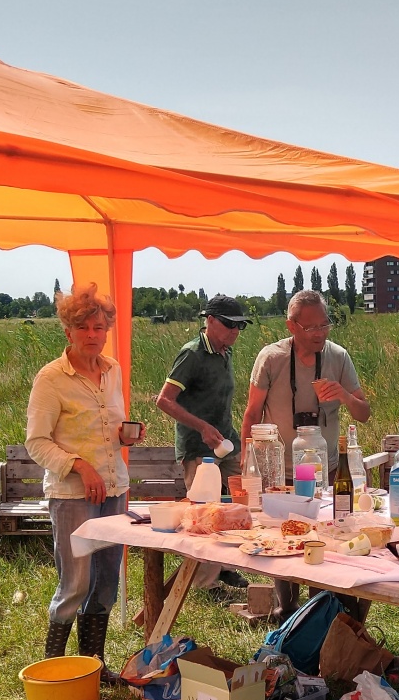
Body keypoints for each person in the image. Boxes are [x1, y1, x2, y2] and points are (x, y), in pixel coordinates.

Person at [26, 281, 142, 672]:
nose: (93, 336)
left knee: (106, 582)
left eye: (99, 328)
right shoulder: (51, 378)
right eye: (84, 328)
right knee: (75, 583)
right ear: (68, 331)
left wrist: (126, 434)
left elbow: (107, 428)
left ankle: (94, 663)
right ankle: (54, 670)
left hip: (115, 490)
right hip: (72, 496)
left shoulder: (112, 371)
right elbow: (37, 443)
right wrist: (80, 465)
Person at [241, 288, 371, 614]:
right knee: (282, 538)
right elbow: (252, 413)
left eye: (324, 325)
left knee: (323, 536)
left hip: (322, 469)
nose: (319, 334)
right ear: (291, 326)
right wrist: (248, 463)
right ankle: (287, 610)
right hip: (280, 468)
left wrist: (342, 393)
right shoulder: (271, 358)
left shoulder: (338, 357)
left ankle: (319, 609)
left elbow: (363, 412)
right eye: (311, 328)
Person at [154, 294, 249, 590]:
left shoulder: (226, 353)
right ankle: (206, 586)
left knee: (237, 506)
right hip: (198, 446)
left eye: (240, 326)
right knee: (204, 514)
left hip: (226, 442)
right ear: (209, 321)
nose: (234, 331)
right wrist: (202, 427)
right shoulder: (192, 354)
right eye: (228, 324)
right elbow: (164, 401)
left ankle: (224, 567)